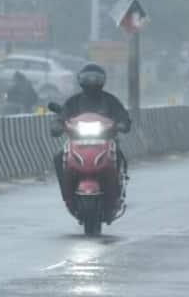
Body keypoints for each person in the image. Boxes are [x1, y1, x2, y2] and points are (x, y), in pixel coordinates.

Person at [50, 63, 131, 199]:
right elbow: (62, 115)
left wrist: (122, 124)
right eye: (88, 78)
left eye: (96, 78)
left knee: (118, 155)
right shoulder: (73, 101)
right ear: (81, 80)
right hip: (78, 142)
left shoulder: (110, 100)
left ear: (103, 80)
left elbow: (122, 116)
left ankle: (117, 190)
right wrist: (57, 125)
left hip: (106, 141)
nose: (92, 82)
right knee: (59, 158)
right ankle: (66, 193)